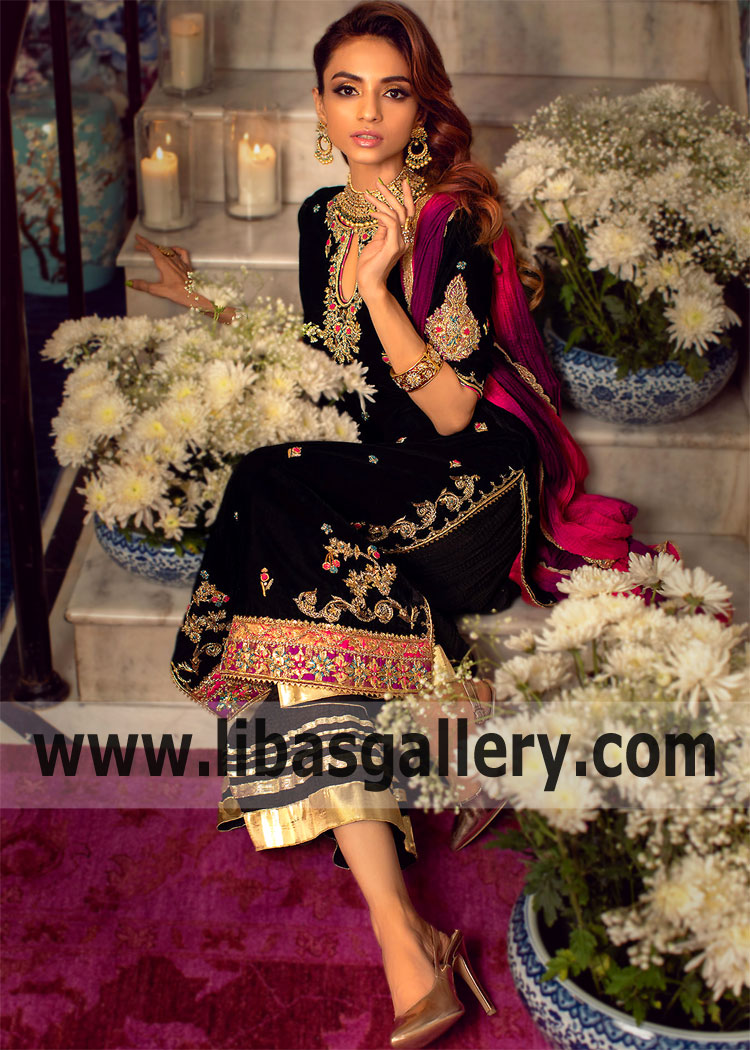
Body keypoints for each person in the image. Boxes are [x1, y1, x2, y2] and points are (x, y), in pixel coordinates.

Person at [129, 3, 659, 1045]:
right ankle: (403, 933)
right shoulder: (320, 216)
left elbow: (454, 409)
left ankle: (436, 719)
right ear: (320, 106)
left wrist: (377, 284)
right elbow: (334, 373)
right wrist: (215, 311)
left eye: (393, 90)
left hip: (472, 480)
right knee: (297, 558)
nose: (367, 112)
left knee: (271, 500)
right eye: (346, 89)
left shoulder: (452, 220)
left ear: (422, 109)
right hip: (380, 476)